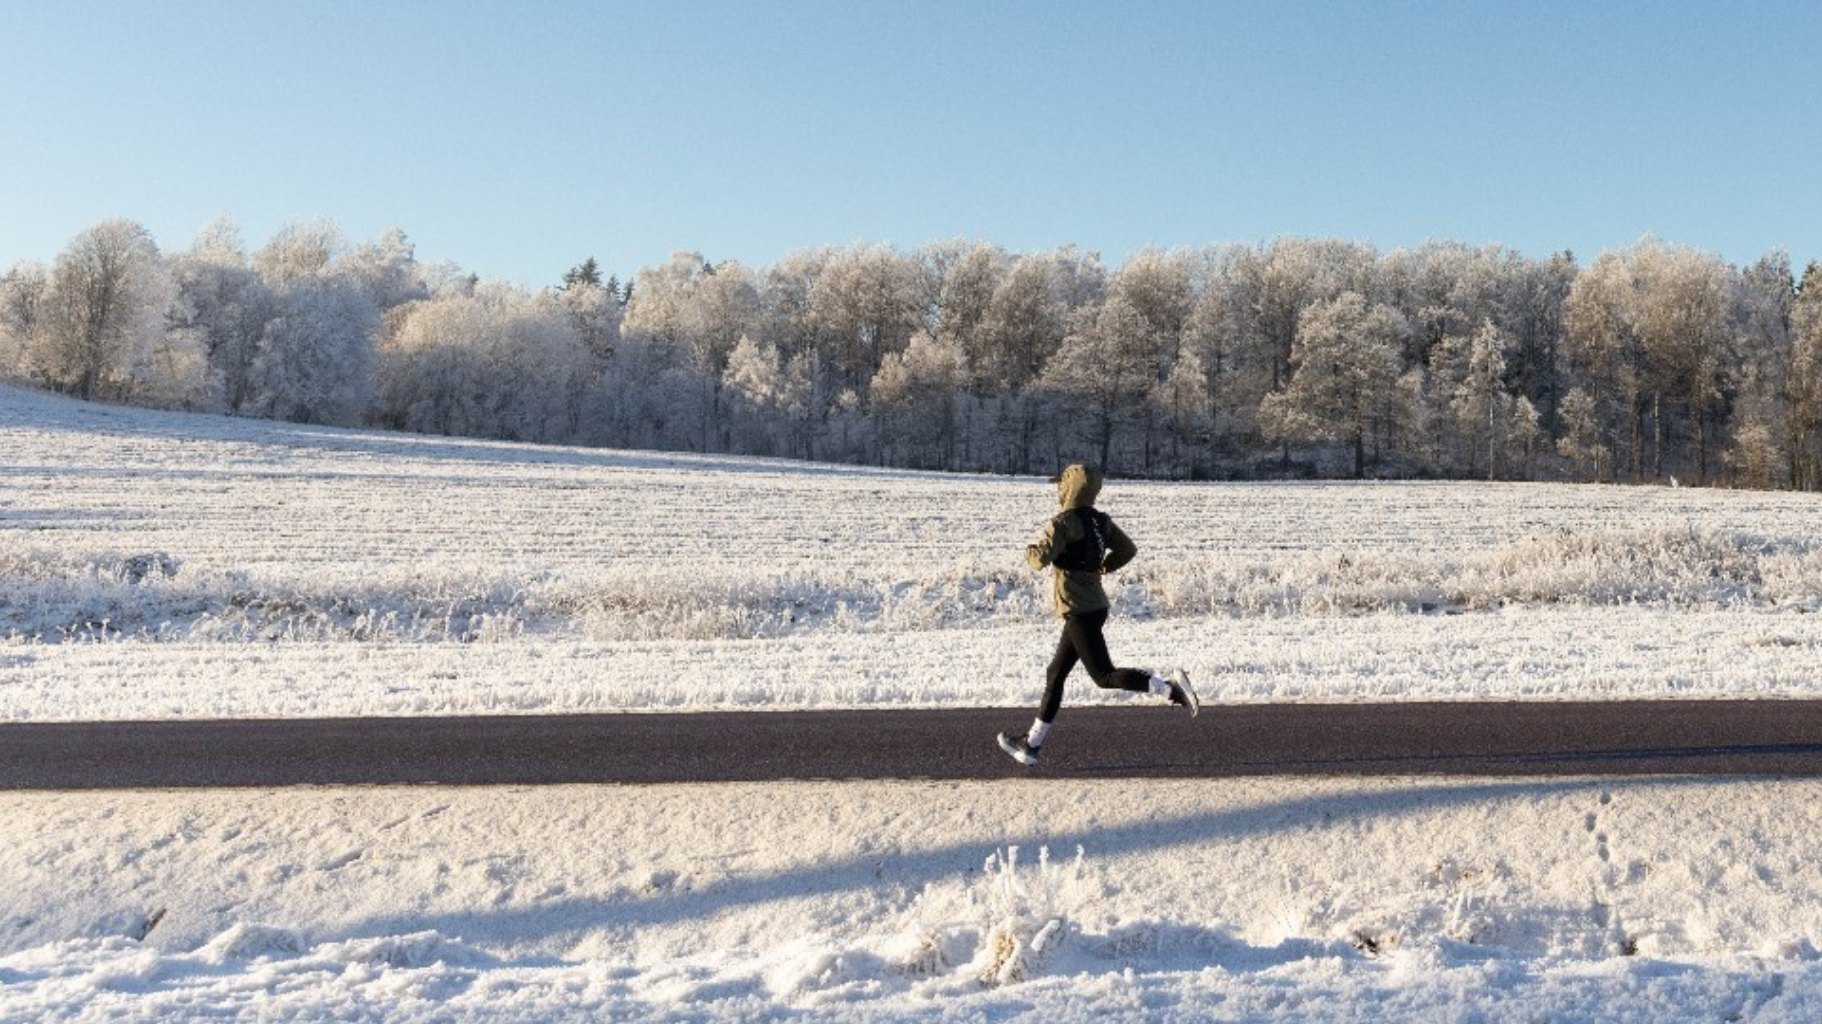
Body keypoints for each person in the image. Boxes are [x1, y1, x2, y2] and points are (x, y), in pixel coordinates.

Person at [997, 463, 1198, 767]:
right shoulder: (1100, 522)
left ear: (1069, 487)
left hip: (1079, 611)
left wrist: (1029, 550)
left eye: (1060, 485)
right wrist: (1103, 566)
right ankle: (1031, 744)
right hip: (1092, 607)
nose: (1057, 490)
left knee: (1103, 676)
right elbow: (1128, 549)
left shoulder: (1062, 523)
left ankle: (1170, 688)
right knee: (1056, 674)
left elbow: (1039, 560)